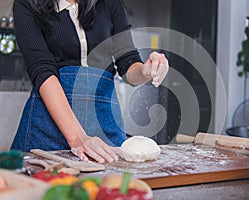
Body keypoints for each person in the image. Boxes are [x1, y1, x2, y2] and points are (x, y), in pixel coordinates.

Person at [11, 0, 169, 163]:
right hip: (48, 125)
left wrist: (145, 71)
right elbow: (42, 70)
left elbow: (128, 62)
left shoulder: (109, 3)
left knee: (109, 185)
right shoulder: (27, 4)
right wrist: (77, 137)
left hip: (104, 121)